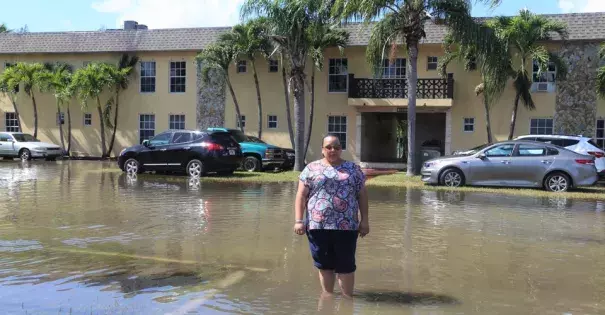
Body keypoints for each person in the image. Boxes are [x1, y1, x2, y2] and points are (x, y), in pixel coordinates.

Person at [294, 134, 369, 299]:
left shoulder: (353, 169)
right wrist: (299, 221)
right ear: (322, 149)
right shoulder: (311, 169)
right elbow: (301, 196)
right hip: (318, 226)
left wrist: (365, 221)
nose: (332, 150)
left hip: (346, 226)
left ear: (341, 149)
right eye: (328, 147)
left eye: (336, 147)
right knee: (324, 265)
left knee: (346, 265)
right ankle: (327, 298)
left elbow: (362, 195)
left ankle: (347, 299)